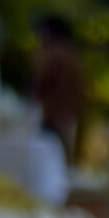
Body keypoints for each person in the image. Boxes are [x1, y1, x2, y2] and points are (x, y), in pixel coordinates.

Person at [30, 14, 87, 161]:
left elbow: (40, 84)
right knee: (62, 158)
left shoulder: (53, 54)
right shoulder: (72, 53)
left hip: (52, 117)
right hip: (69, 116)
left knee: (49, 159)